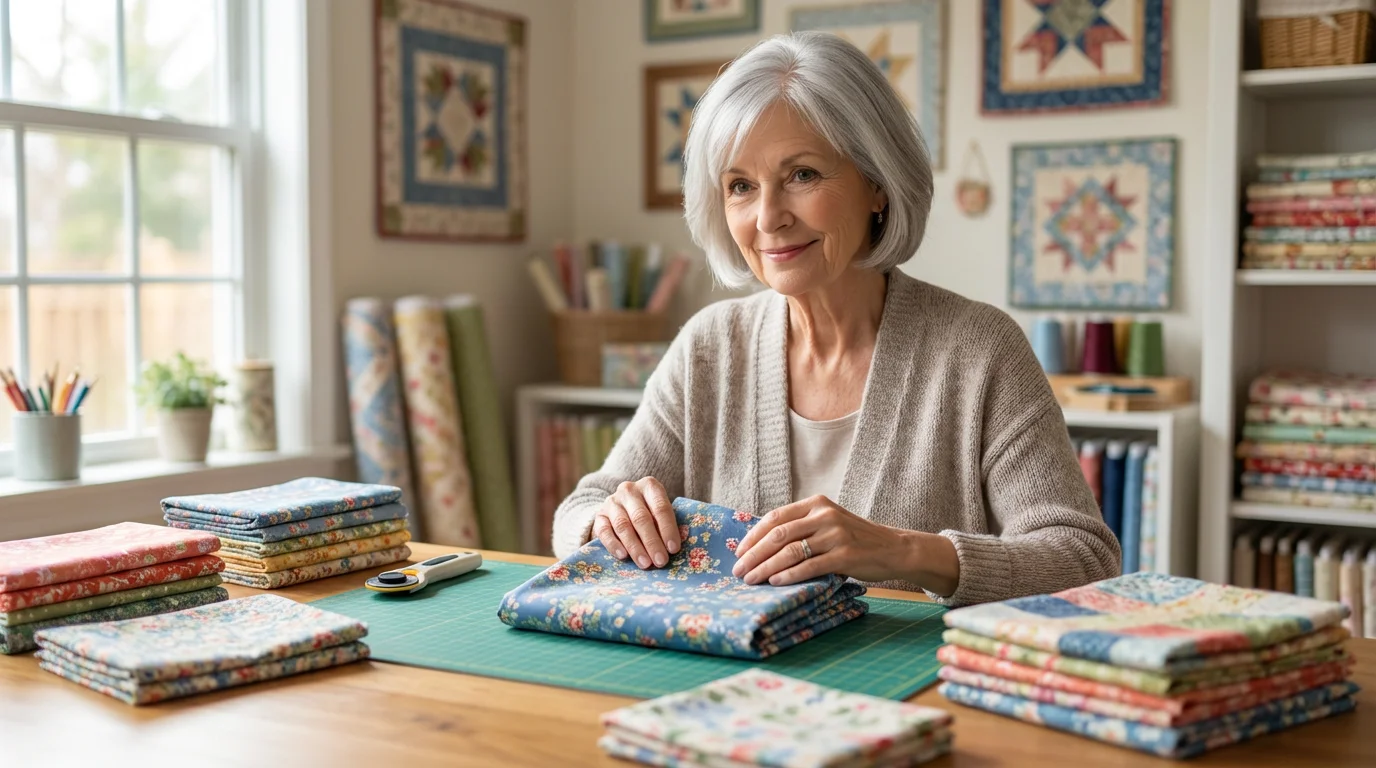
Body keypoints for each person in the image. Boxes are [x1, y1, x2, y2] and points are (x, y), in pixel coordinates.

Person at [550, 32, 1120, 606]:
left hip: (910, 690)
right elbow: (580, 508)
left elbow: (1084, 556)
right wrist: (609, 519)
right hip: (729, 683)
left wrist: (901, 552)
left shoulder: (980, 350)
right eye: (741, 186)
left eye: (802, 175)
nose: (768, 218)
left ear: (877, 184)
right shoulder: (708, 347)